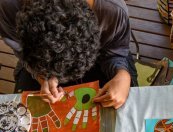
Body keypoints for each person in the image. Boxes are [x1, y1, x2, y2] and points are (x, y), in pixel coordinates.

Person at [0, 0, 137, 109]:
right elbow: (22, 52)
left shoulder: (112, 9)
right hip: (41, 63)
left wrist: (122, 75)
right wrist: (42, 76)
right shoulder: (7, 7)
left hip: (105, 56)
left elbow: (116, 51)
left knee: (128, 107)